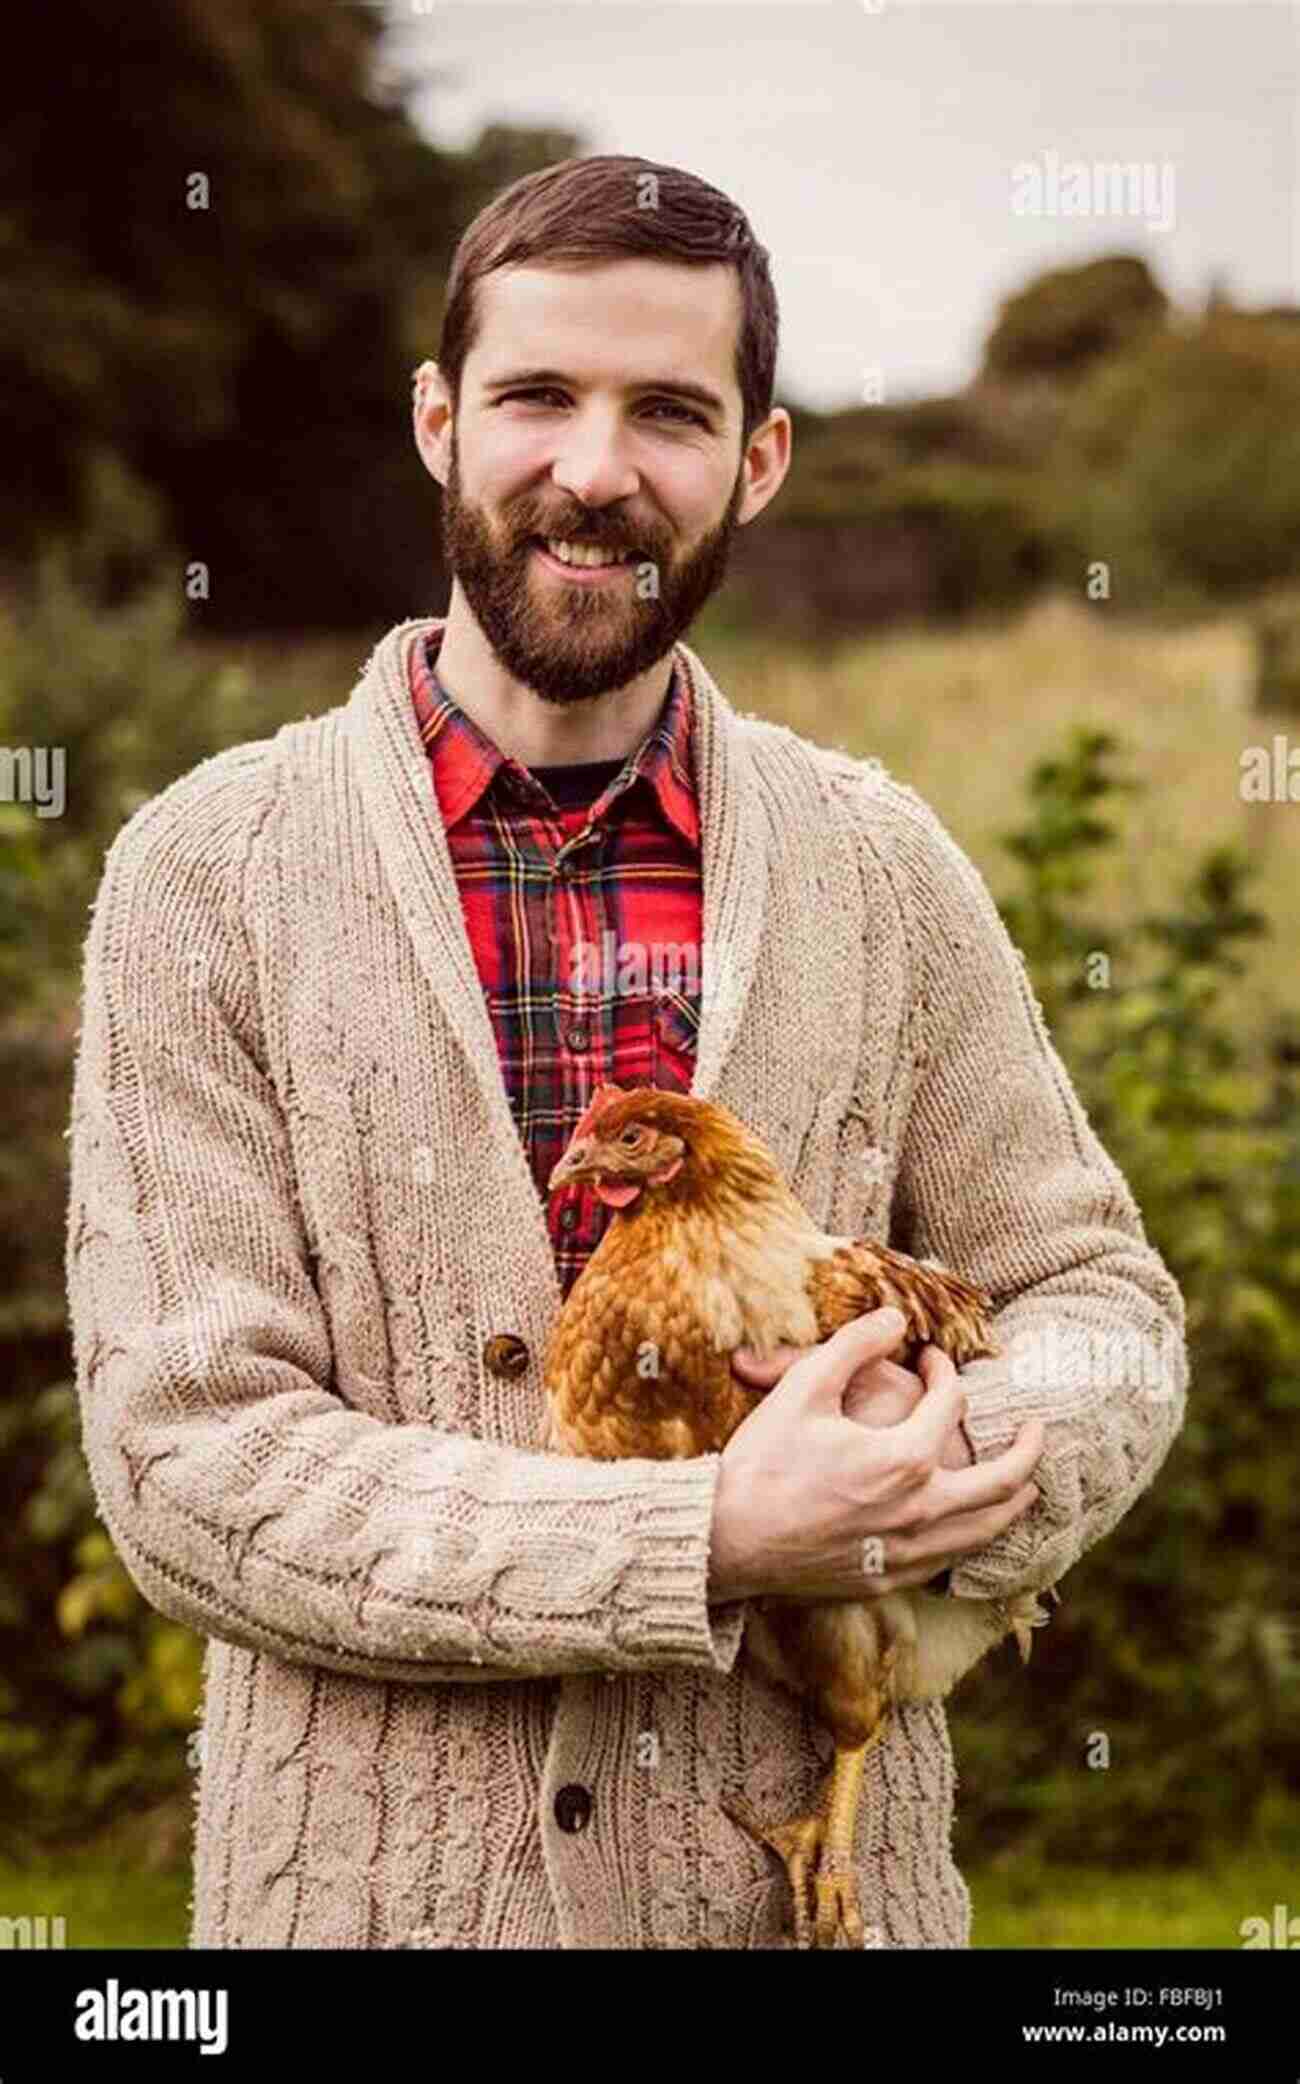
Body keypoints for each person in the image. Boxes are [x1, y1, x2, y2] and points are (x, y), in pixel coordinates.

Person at [65, 154, 1186, 1950]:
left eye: (669, 410)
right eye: (534, 398)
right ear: (439, 423)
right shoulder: (206, 878)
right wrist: (716, 1537)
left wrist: (950, 1452)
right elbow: (189, 1464)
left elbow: (1101, 1296)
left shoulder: (881, 869)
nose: (594, 470)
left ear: (758, 461)